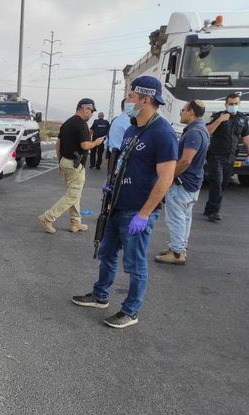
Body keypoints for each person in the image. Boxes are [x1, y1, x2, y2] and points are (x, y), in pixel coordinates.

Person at [72, 76, 178, 329]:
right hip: (116, 206)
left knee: (135, 264)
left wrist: (144, 214)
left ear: (146, 98)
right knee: (107, 253)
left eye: (131, 96)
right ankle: (100, 295)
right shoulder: (132, 128)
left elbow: (165, 179)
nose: (127, 100)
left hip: (136, 211)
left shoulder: (162, 133)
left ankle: (131, 311)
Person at [37, 98, 105, 234]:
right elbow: (85, 145)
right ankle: (48, 217)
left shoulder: (67, 123)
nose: (92, 114)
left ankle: (75, 222)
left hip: (65, 161)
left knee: (75, 194)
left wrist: (60, 162)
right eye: (91, 111)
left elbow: (58, 144)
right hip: (75, 164)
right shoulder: (81, 124)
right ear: (84, 108)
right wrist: (96, 142)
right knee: (73, 195)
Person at [155, 100, 209, 265]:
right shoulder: (202, 130)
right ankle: (179, 247)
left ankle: (177, 253)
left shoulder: (194, 133)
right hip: (193, 182)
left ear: (191, 111)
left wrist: (169, 177)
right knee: (185, 218)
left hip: (183, 183)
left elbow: (185, 161)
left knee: (176, 218)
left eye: (183, 110)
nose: (180, 113)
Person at [204, 93, 249, 222]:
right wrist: (220, 120)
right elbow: (208, 131)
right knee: (217, 182)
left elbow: (246, 137)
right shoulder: (218, 116)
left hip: (230, 157)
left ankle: (209, 207)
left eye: (236, 103)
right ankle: (214, 211)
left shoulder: (242, 119)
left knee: (224, 183)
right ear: (226, 104)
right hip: (216, 155)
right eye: (231, 104)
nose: (233, 106)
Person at [106, 99, 130, 172]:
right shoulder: (129, 120)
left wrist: (107, 157)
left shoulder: (115, 119)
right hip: (123, 159)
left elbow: (108, 138)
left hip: (113, 157)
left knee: (112, 181)